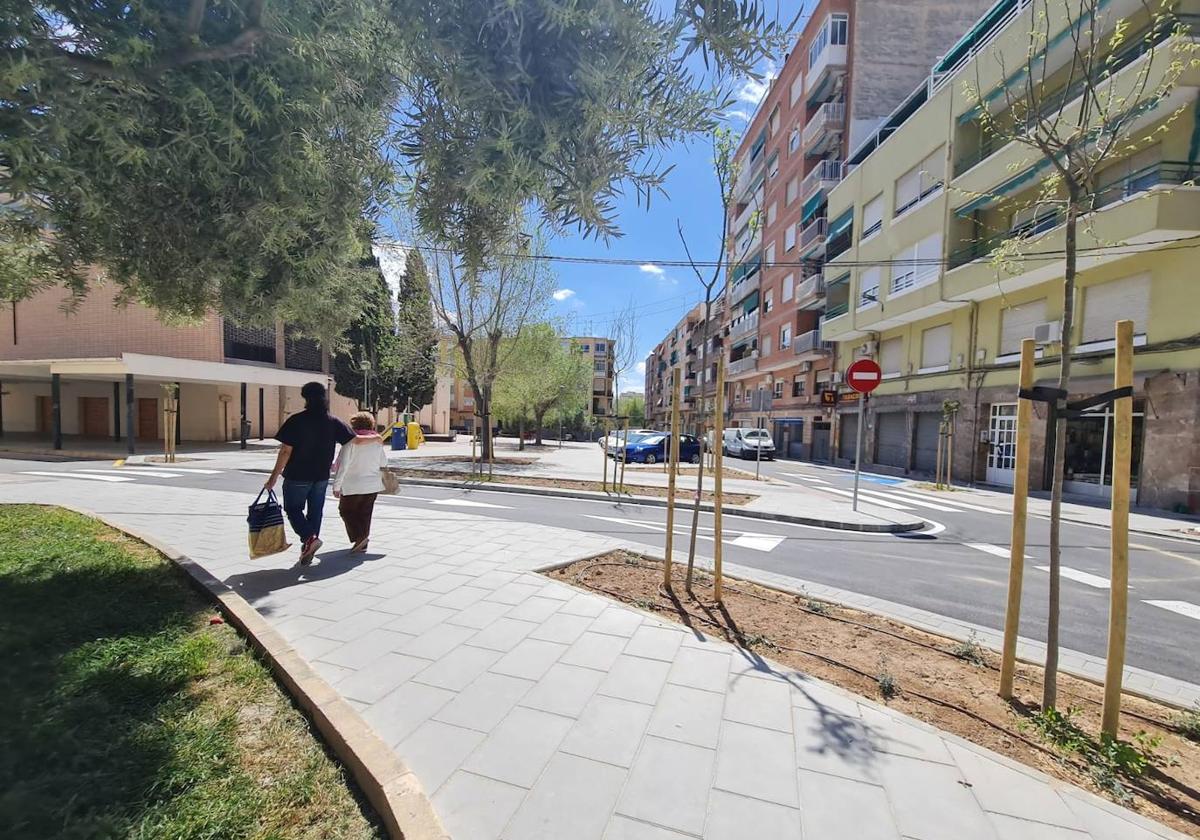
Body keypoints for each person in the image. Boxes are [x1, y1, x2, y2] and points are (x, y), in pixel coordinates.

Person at [264, 381, 377, 565]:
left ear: (305, 398)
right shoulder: (332, 421)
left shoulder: (297, 420)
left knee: (293, 509)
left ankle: (309, 539)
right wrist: (375, 437)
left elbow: (285, 451)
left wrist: (273, 477)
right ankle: (308, 545)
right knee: (315, 512)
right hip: (321, 477)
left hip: (297, 475)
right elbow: (353, 440)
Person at [332, 411, 389, 553]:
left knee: (346, 511)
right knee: (365, 513)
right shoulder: (377, 441)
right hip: (372, 484)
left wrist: (337, 486)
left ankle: (360, 538)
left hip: (352, 484)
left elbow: (343, 465)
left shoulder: (351, 441)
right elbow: (384, 462)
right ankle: (363, 540)